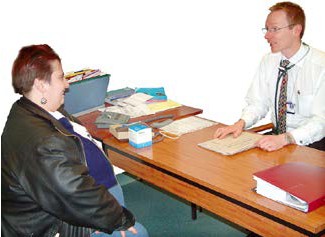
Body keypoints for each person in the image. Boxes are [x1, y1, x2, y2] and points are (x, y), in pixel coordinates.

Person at [1, 44, 148, 237]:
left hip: (83, 207)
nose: (67, 84)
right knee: (138, 234)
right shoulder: (41, 141)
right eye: (61, 77)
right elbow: (74, 194)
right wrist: (119, 219)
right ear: (41, 85)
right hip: (58, 226)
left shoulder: (31, 110)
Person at [214, 1, 325, 152]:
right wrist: (240, 123)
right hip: (277, 136)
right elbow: (257, 103)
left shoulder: (320, 65)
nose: (267, 35)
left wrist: (286, 139)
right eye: (266, 29)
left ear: (296, 30)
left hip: (312, 143)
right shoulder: (269, 60)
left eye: (274, 29)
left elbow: (321, 122)